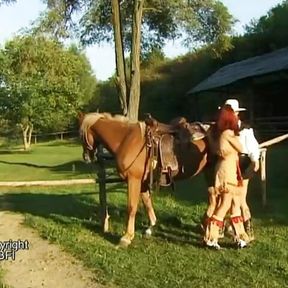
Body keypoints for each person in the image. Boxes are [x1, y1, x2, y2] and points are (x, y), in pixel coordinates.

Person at [203, 104, 249, 249]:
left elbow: (215, 148)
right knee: (224, 205)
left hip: (225, 170)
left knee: (235, 206)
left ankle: (240, 238)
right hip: (228, 172)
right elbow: (242, 148)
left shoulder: (219, 134)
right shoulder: (228, 134)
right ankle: (211, 237)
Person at [224, 99, 260, 241]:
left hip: (242, 164)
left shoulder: (245, 130)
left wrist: (254, 162)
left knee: (240, 199)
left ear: (237, 113)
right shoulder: (223, 129)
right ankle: (227, 227)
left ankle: (246, 228)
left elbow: (253, 148)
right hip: (228, 165)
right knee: (227, 198)